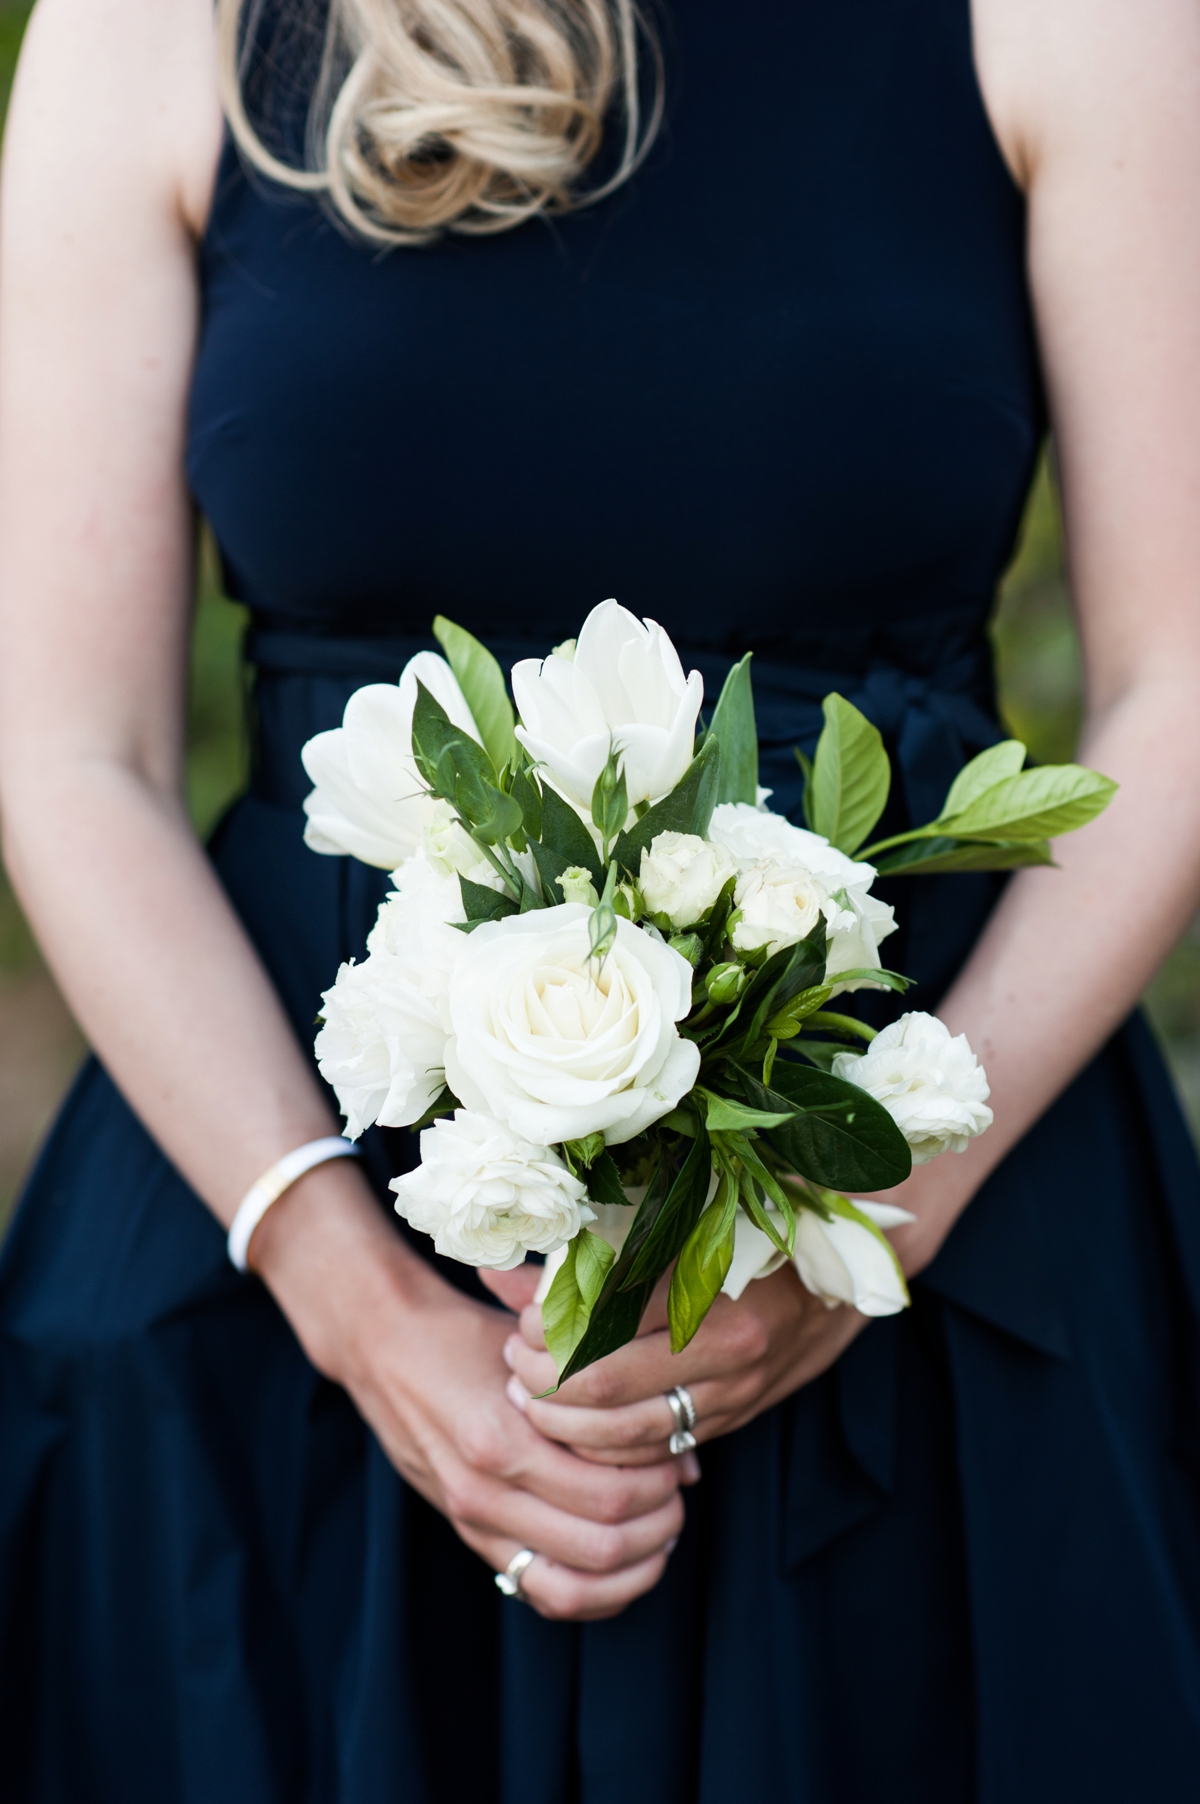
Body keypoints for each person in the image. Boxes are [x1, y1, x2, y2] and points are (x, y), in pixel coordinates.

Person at [1, 0, 1199, 1796]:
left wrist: (884, 1214)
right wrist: (356, 1299)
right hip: (272, 1313)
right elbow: (63, 748)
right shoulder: (153, 28)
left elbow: (1177, 686)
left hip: (939, 1286)